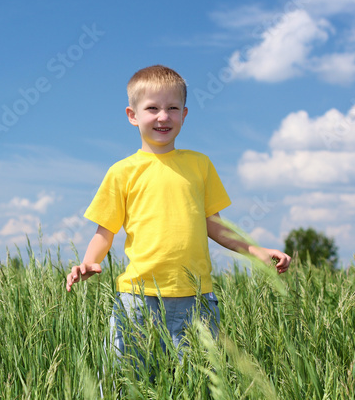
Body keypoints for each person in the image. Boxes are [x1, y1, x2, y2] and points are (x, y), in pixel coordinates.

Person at [65, 65, 290, 374]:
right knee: (126, 378)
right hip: (138, 298)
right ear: (132, 115)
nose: (163, 117)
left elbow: (217, 226)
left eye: (172, 108)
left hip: (195, 299)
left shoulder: (200, 165)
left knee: (198, 383)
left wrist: (257, 252)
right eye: (152, 108)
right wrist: (90, 260)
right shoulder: (122, 172)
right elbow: (105, 231)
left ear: (184, 114)